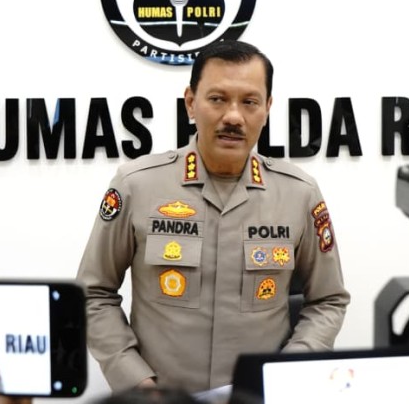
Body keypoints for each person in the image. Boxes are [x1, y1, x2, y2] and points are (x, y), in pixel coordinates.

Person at [75, 40, 350, 393]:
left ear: (267, 108)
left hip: (258, 397)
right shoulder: (137, 186)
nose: (233, 117)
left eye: (249, 102)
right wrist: (137, 383)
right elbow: (93, 293)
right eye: (217, 99)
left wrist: (287, 373)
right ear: (191, 102)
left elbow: (328, 300)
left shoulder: (299, 194)